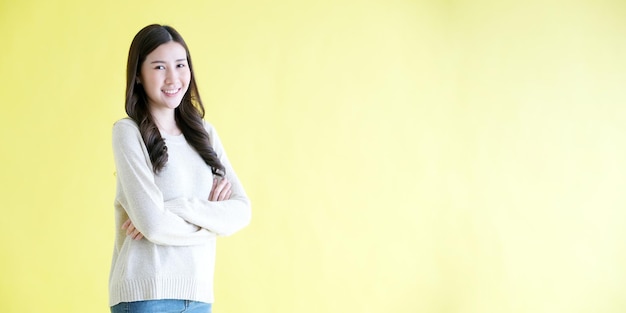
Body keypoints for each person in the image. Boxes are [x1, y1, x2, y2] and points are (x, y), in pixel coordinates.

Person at [109, 24, 251, 313]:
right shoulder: (129, 132)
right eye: (159, 67)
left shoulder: (205, 133)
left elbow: (241, 211)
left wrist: (172, 208)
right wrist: (212, 219)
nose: (173, 77)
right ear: (138, 74)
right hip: (146, 294)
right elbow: (152, 225)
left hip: (198, 295)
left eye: (180, 65)